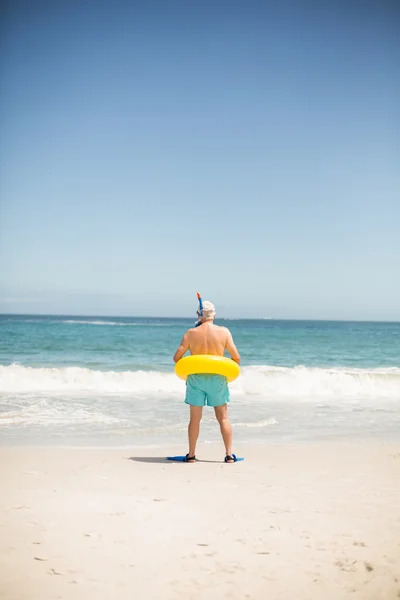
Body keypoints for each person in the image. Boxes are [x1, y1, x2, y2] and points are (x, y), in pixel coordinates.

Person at [173, 300, 241, 463]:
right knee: (223, 418)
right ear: (214, 314)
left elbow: (177, 358)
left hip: (196, 379)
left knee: (195, 419)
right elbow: (236, 358)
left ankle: (191, 455)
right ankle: (229, 455)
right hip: (217, 378)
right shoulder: (224, 332)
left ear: (198, 315)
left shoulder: (191, 333)